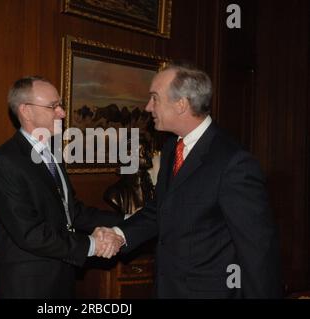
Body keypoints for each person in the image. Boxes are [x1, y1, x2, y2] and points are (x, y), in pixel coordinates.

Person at [96, 63, 282, 298]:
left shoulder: (233, 162)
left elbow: (258, 250)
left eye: (154, 98)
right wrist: (120, 234)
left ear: (181, 104)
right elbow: (161, 210)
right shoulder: (173, 147)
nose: (148, 107)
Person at [0, 76, 124, 298]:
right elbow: (30, 233)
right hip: (27, 288)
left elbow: (72, 212)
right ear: (26, 111)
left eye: (60, 105)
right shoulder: (5, 162)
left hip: (61, 279)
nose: (62, 113)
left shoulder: (51, 153)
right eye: (53, 106)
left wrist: (129, 221)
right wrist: (91, 245)